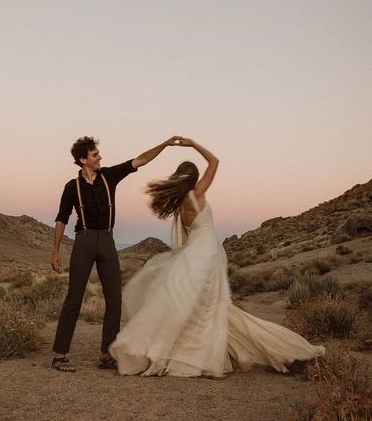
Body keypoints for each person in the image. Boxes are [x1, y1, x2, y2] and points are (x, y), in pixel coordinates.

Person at [109, 138, 325, 377]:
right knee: (213, 309)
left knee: (199, 309)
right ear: (194, 179)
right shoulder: (197, 193)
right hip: (208, 254)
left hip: (194, 255)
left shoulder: (180, 205)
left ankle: (187, 354)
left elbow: (183, 239)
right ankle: (283, 350)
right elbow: (214, 161)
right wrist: (192, 144)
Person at [50, 135, 182, 372]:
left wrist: (163, 144)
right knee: (74, 297)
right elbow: (61, 219)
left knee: (114, 297)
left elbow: (140, 160)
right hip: (85, 240)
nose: (100, 157)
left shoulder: (109, 176)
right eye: (94, 154)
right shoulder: (72, 187)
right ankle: (59, 355)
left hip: (108, 241)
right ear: (83, 159)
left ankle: (106, 354)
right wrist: (55, 251)